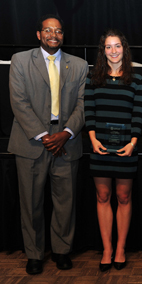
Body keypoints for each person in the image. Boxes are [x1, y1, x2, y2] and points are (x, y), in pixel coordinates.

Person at [8, 14, 88, 274]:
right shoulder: (20, 60)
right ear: (39, 34)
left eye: (59, 31)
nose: (54, 34)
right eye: (48, 30)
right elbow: (18, 102)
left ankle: (62, 251)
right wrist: (45, 136)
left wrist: (65, 132)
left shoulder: (78, 65)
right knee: (30, 203)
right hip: (32, 143)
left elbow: (83, 103)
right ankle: (34, 254)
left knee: (65, 201)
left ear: (63, 35)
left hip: (67, 142)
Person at [84, 28, 142, 272]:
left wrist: (132, 143)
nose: (113, 51)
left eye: (117, 46)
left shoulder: (137, 79)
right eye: (108, 47)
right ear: (103, 51)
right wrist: (92, 140)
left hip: (126, 149)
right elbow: (89, 111)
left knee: (123, 197)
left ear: (124, 49)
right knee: (102, 197)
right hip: (99, 148)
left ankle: (120, 248)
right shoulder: (92, 78)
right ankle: (107, 249)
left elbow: (138, 114)